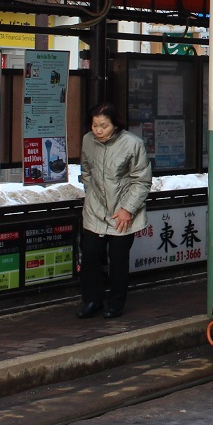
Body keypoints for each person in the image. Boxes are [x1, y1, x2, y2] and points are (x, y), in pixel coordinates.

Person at [77, 103, 152, 319]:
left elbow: (142, 180)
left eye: (103, 126)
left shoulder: (132, 144)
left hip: (123, 211)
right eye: (94, 125)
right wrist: (91, 193)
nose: (98, 130)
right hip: (95, 209)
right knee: (90, 253)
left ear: (115, 125)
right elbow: (86, 170)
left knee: (118, 259)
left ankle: (115, 303)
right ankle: (92, 300)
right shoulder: (87, 141)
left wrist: (127, 209)